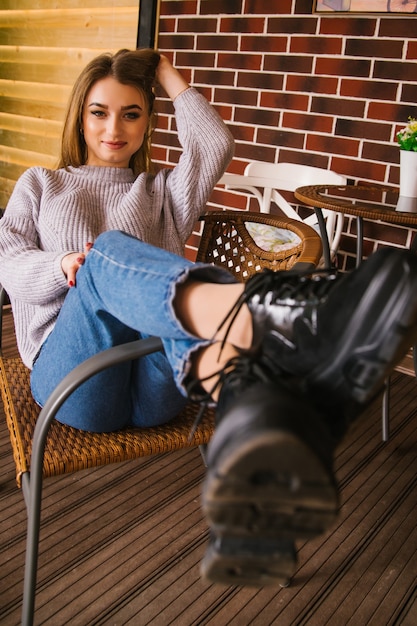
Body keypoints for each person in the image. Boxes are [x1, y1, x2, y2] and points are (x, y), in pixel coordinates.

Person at [1, 48, 417, 589]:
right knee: (106, 252)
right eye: (100, 111)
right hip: (76, 383)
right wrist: (64, 265)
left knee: (157, 287)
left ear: (149, 121)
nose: (114, 127)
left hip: (158, 384)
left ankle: (260, 480)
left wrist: (166, 73)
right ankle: (270, 322)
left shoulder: (164, 191)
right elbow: (7, 260)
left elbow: (215, 143)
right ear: (79, 116)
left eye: (132, 112)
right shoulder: (41, 184)